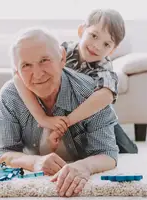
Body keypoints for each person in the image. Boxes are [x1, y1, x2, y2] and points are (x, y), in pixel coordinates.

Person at [0, 27, 119, 197]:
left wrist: (83, 166)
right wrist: (35, 162)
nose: (37, 74)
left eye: (45, 60)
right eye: (26, 65)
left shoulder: (91, 96)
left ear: (62, 57)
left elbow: (107, 154)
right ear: (16, 70)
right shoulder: (10, 96)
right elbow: (4, 152)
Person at [13, 9, 138, 153]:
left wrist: (67, 122)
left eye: (106, 44)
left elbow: (106, 96)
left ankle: (129, 148)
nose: (97, 46)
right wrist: (42, 118)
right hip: (62, 108)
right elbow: (18, 77)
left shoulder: (104, 66)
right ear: (81, 30)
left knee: (123, 146)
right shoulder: (63, 50)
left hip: (92, 116)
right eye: (94, 36)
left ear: (112, 50)